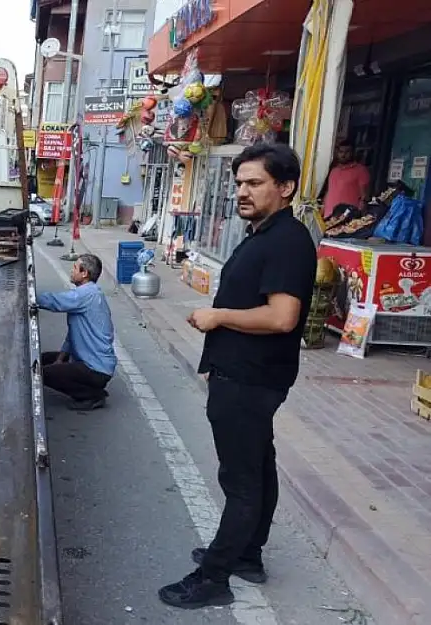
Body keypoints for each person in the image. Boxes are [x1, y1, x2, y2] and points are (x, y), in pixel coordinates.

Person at [159, 142, 316, 609]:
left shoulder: (287, 241)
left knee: (241, 482)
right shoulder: (266, 233)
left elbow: (282, 317)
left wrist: (219, 316)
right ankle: (247, 555)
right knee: (259, 470)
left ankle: (213, 578)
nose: (242, 192)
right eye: (239, 183)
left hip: (250, 379)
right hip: (245, 375)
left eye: (255, 183)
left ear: (285, 188)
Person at [35, 253, 117, 411]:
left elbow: (56, 301)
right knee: (41, 360)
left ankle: (93, 395)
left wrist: (30, 296)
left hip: (95, 368)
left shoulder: (87, 294)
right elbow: (72, 336)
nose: (71, 271)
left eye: (74, 268)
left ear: (84, 273)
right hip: (84, 359)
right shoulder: (91, 294)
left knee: (44, 373)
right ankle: (85, 387)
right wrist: (60, 358)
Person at [319, 139, 371, 220]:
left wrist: (360, 214)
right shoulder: (334, 171)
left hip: (347, 218)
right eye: (341, 152)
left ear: (353, 153)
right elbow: (329, 191)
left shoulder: (361, 170)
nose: (343, 155)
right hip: (328, 217)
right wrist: (322, 208)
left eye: (347, 152)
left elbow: (365, 196)